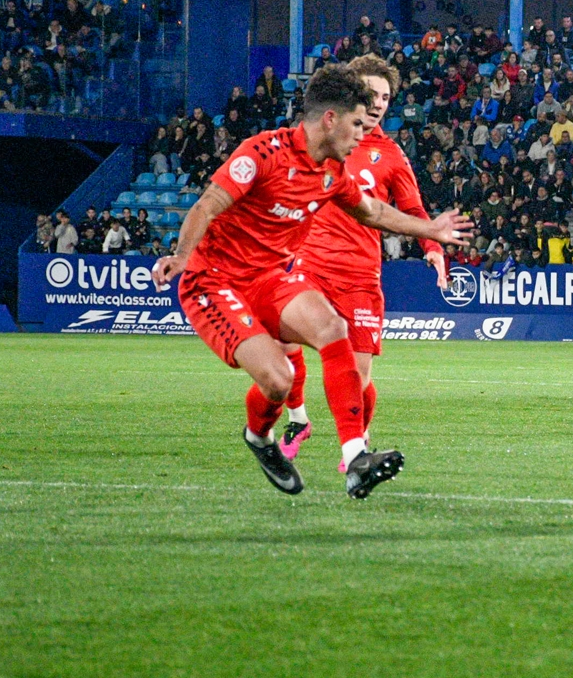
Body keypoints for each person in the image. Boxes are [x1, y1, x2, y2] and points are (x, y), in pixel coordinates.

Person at [151, 66, 470, 497]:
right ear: (330, 120)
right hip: (213, 281)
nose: (363, 134)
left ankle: (356, 458)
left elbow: (374, 212)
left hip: (269, 279)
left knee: (332, 328)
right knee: (279, 380)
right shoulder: (262, 153)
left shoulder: (332, 173)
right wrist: (182, 256)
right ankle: (259, 439)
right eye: (357, 123)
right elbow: (207, 205)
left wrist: (431, 231)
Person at [277, 55, 449, 461]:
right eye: (371, 94)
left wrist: (434, 249)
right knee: (279, 339)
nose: (378, 103)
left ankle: (358, 442)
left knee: (357, 376)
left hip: (359, 277)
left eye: (386, 97)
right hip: (310, 265)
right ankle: (299, 419)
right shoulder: (318, 139)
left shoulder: (390, 155)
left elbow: (413, 209)